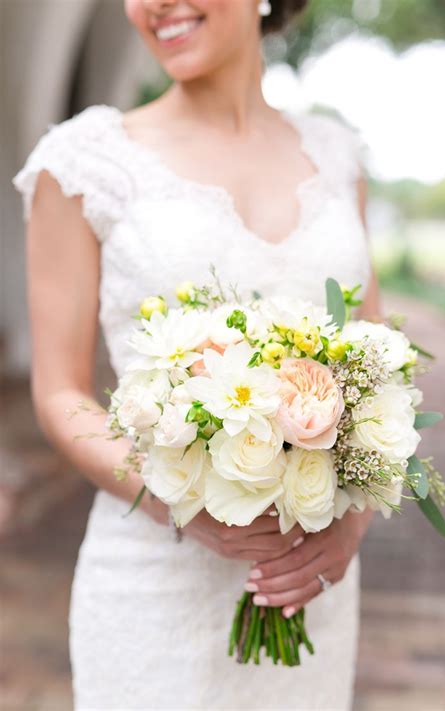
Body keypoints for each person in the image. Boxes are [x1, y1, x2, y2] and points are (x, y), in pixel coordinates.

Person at [13, 1, 382, 708]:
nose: (154, 4)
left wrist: (350, 529)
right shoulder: (84, 160)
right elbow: (61, 393)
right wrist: (179, 497)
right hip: (154, 584)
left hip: (310, 584)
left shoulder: (337, 156)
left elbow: (380, 360)